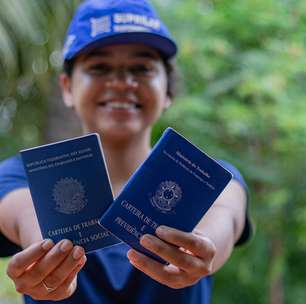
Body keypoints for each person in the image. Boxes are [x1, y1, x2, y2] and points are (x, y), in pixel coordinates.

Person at [0, 0, 251, 303]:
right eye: (100, 67)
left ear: (168, 90)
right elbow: (28, 215)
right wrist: (48, 261)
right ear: (67, 87)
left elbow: (224, 214)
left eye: (142, 68)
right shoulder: (22, 176)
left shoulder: (210, 178)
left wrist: (204, 246)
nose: (121, 82)